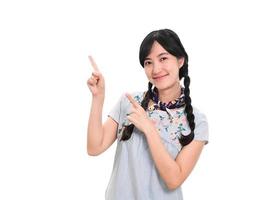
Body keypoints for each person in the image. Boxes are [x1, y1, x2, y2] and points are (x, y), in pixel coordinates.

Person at [86, 29, 209, 200]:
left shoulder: (197, 120)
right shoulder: (129, 102)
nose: (156, 69)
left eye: (163, 58)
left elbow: (174, 180)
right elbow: (94, 147)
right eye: (148, 62)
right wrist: (98, 98)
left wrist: (149, 129)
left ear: (180, 60)